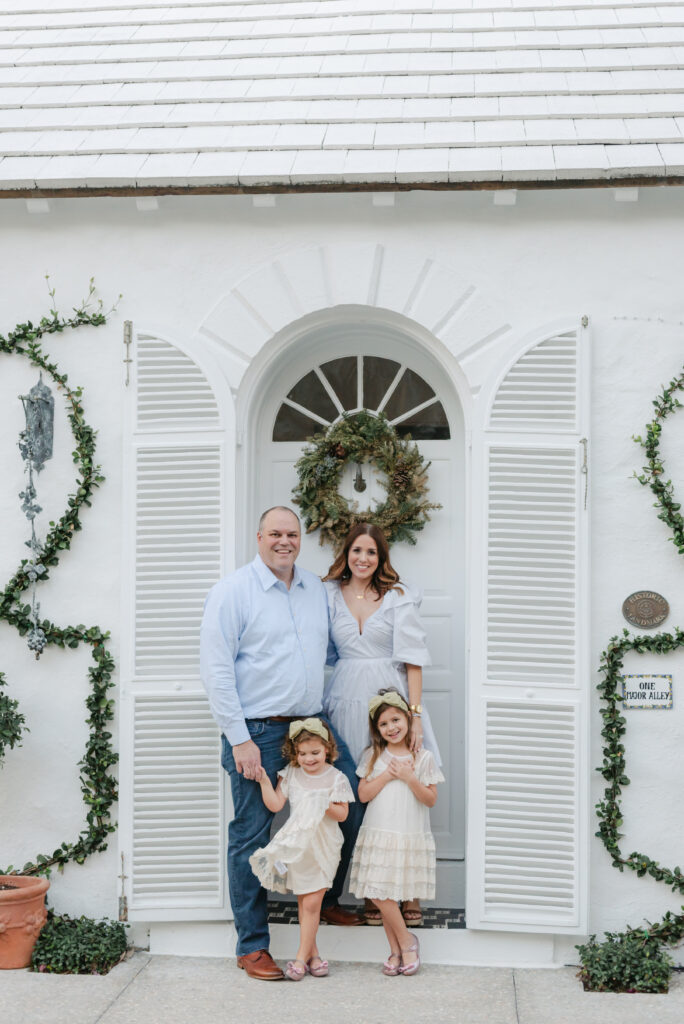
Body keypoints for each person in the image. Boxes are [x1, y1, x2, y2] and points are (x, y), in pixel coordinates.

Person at [200, 506, 362, 982]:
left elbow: (330, 651)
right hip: (260, 732)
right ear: (259, 538)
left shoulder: (315, 589)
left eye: (292, 533)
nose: (284, 541)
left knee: (349, 803)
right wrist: (240, 741)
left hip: (315, 728)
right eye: (275, 533)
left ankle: (322, 898)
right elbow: (216, 671)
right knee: (252, 834)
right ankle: (252, 946)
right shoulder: (233, 592)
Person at [322, 521, 440, 927]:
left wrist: (417, 716)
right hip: (341, 702)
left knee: (400, 794)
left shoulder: (398, 598)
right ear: (346, 553)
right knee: (358, 797)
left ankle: (407, 892)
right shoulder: (327, 595)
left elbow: (413, 661)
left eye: (371, 552)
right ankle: (373, 890)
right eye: (357, 550)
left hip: (389, 705)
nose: (363, 559)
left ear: (381, 557)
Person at [249, 718, 353, 980]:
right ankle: (314, 956)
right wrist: (263, 781)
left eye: (315, 753)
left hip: (323, 846)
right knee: (306, 903)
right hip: (297, 848)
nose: (309, 759)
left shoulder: (335, 777)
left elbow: (342, 814)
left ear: (327, 749)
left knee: (312, 904)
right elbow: (275, 804)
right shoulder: (291, 774)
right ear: (295, 753)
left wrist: (323, 803)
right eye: (303, 753)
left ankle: (299, 960)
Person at [350, 690, 444, 976]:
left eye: (396, 719)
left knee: (390, 891)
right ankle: (406, 941)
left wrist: (408, 777)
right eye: (383, 724)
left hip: (407, 832)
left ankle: (396, 951)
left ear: (408, 719)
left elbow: (430, 798)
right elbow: (363, 794)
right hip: (379, 832)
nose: (391, 727)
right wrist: (388, 774)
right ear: (377, 730)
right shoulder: (373, 755)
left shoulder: (423, 757)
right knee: (378, 891)